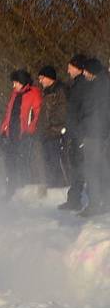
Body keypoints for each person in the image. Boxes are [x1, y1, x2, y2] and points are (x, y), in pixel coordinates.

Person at [0, 69, 42, 199]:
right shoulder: (15, 94)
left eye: (15, 83)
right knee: (10, 161)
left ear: (22, 82)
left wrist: (30, 130)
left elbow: (36, 114)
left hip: (24, 134)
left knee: (23, 161)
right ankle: (11, 187)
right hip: (12, 132)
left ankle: (23, 189)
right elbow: (9, 114)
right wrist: (3, 130)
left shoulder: (34, 93)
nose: (13, 85)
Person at [77, 58, 110, 216]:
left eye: (86, 71)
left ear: (93, 72)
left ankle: (96, 204)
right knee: (97, 169)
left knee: (93, 170)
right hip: (94, 134)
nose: (84, 73)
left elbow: (98, 113)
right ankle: (99, 202)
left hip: (96, 135)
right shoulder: (98, 85)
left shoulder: (100, 87)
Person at [59, 54, 90, 210]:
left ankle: (81, 200)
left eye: (70, 67)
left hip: (81, 133)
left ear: (78, 68)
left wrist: (80, 131)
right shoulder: (76, 85)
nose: (68, 70)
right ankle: (74, 199)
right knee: (76, 166)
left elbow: (84, 111)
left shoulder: (84, 86)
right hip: (74, 131)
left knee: (82, 167)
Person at [36, 66, 68, 189]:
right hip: (47, 133)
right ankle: (52, 185)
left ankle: (59, 186)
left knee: (56, 161)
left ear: (49, 78)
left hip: (56, 132)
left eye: (42, 78)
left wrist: (51, 124)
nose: (40, 81)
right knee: (48, 161)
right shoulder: (46, 92)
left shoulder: (59, 90)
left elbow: (62, 111)